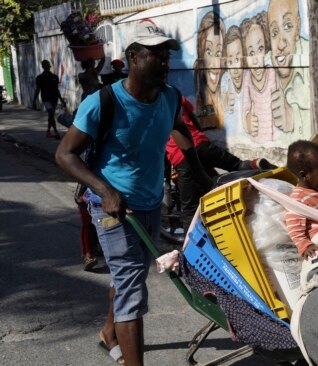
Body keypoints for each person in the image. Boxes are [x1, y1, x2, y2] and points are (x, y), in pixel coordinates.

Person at [55, 19, 213, 366]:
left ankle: (110, 334)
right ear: (133, 57)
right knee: (131, 287)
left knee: (131, 275)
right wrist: (104, 190)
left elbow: (180, 129)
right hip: (113, 207)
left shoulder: (169, 98)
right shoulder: (103, 102)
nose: (164, 63)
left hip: (150, 201)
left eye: (167, 56)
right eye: (156, 56)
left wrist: (201, 175)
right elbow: (64, 154)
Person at [166, 95, 275, 229]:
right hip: (202, 144)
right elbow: (194, 119)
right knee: (237, 165)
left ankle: (191, 243)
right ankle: (255, 164)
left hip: (182, 157)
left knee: (189, 208)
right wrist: (201, 138)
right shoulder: (175, 96)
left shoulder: (149, 105)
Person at [267, 0, 314, 143]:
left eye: (288, 26)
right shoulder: (263, 68)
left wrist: (293, 117)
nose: (281, 44)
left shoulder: (312, 57)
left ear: (298, 27)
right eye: (274, 33)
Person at [241, 12, 282, 143]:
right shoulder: (247, 78)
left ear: (266, 49)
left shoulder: (272, 74)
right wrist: (247, 120)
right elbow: (245, 107)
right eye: (251, 52)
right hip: (254, 141)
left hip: (272, 140)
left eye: (260, 49)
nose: (256, 59)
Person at [194, 11, 226, 130]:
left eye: (218, 53)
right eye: (208, 51)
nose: (214, 63)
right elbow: (198, 114)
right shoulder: (199, 94)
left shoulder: (225, 89)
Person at [32, 60, 66, 140]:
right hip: (46, 99)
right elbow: (38, 89)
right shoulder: (39, 78)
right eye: (44, 65)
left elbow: (57, 90)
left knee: (51, 115)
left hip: (54, 98)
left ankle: (48, 131)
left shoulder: (54, 77)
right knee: (50, 112)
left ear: (49, 66)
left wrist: (61, 100)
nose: (46, 66)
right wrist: (34, 101)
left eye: (47, 65)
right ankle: (55, 131)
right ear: (42, 67)